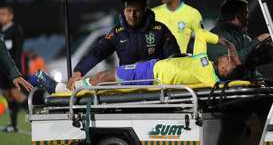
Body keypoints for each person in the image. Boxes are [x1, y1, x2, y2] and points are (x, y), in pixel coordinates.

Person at [37, 36, 240, 94]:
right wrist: (227, 46)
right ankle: (66, 88)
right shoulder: (204, 61)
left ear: (225, 70)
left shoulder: (210, 78)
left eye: (228, 60)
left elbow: (236, 70)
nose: (225, 57)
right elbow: (201, 35)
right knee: (108, 76)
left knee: (106, 77)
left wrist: (229, 46)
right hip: (154, 67)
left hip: (151, 74)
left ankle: (64, 89)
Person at [67, 0, 181, 90]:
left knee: (104, 76)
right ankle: (65, 88)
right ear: (123, 10)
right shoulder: (117, 33)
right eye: (129, 10)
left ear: (145, 10)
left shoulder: (160, 30)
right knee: (101, 77)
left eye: (136, 11)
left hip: (156, 86)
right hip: (126, 87)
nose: (132, 15)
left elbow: (174, 59)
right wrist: (79, 71)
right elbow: (98, 52)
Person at [0, 5, 27, 132]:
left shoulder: (16, 30)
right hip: (2, 69)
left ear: (10, 16)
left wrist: (15, 70)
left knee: (16, 94)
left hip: (12, 69)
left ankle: (34, 115)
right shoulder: (2, 31)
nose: (1, 17)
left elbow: (18, 52)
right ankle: (13, 124)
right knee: (7, 95)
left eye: (4, 14)